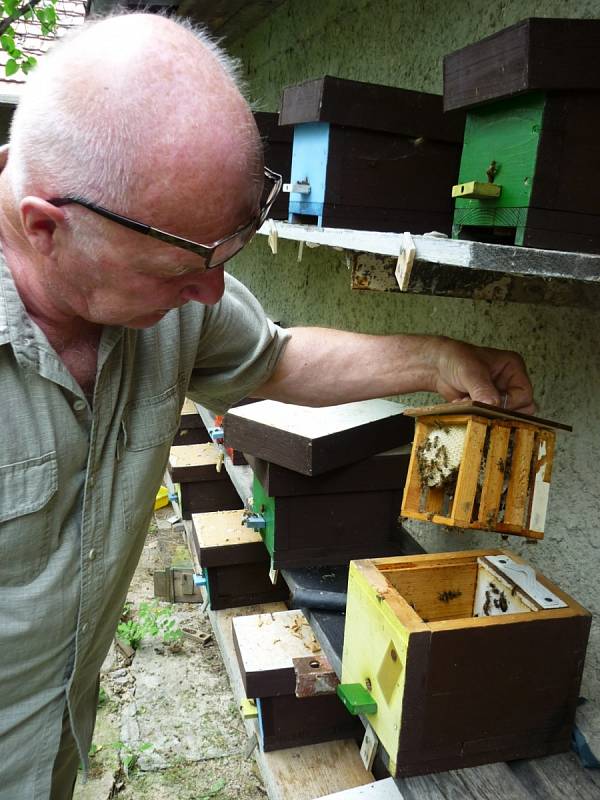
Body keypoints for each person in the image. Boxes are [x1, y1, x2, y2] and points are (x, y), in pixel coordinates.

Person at [0, 11, 534, 799]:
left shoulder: (171, 290)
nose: (211, 293)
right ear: (45, 229)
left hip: (51, 749)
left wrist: (433, 357)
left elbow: (276, 355)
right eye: (183, 266)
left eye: (226, 254)